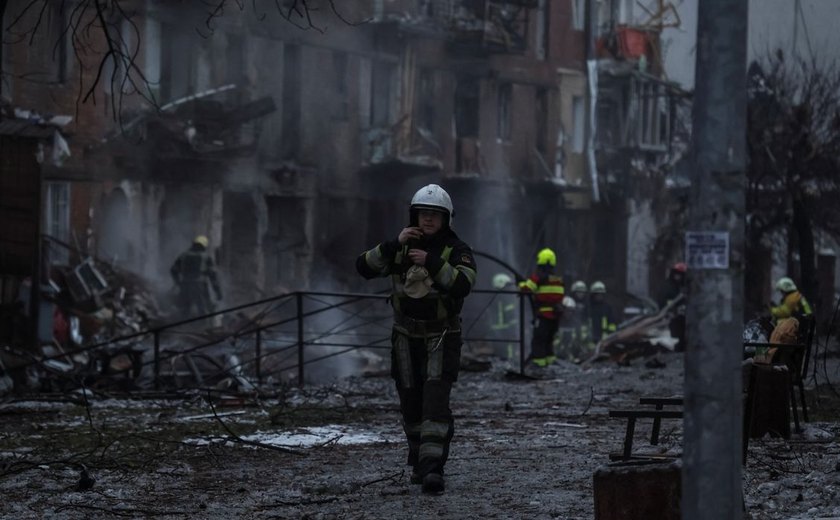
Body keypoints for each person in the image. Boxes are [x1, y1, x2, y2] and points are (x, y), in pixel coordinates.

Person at [355, 183, 476, 495]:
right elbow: (364, 267)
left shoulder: (457, 249)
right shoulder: (400, 247)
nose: (428, 220)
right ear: (414, 215)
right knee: (410, 401)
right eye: (423, 214)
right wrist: (393, 244)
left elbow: (463, 284)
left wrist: (432, 263)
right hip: (405, 338)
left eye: (435, 215)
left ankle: (433, 468)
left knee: (435, 402)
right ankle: (418, 460)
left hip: (441, 336)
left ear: (446, 218)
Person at [518, 248, 564, 367]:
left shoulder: (538, 277)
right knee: (549, 340)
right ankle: (550, 363)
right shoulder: (558, 279)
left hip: (544, 316)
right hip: (556, 317)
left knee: (539, 340)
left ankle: (538, 364)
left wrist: (520, 283)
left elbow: (526, 290)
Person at [170, 235, 223, 317]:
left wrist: (178, 282)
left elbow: (173, 270)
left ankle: (181, 326)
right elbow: (213, 276)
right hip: (200, 286)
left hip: (185, 285)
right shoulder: (206, 257)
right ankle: (204, 326)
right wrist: (218, 292)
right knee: (204, 309)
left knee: (183, 309)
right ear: (204, 246)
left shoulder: (183, 255)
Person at [658, 262, 687, 351]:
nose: (678, 276)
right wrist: (672, 309)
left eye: (680, 274)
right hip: (671, 317)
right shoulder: (668, 286)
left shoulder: (681, 286)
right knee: (675, 336)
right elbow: (663, 301)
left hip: (681, 317)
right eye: (676, 274)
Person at [489, 273, 518, 360]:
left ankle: (502, 362)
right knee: (508, 350)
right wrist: (514, 328)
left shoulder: (494, 297)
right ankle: (509, 363)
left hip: (496, 329)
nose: (509, 288)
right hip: (505, 329)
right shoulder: (505, 298)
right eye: (507, 286)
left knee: (499, 350)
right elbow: (510, 315)